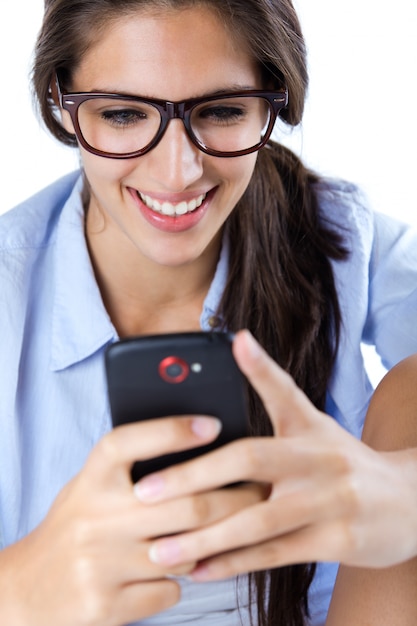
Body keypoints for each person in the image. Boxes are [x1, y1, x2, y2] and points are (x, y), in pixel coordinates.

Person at [0, 1, 417, 625]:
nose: (178, 172)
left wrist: (405, 496)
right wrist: (20, 592)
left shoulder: (344, 242)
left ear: (272, 105)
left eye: (221, 111)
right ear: (62, 101)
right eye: (122, 114)